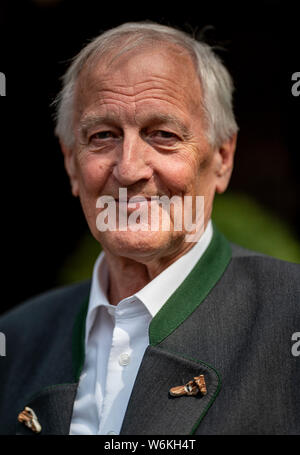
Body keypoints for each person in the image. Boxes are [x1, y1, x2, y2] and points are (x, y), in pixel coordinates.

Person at [0, 22, 299, 436]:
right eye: (103, 136)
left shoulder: (289, 317)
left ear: (223, 159)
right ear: (71, 162)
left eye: (163, 135)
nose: (129, 169)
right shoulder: (16, 340)